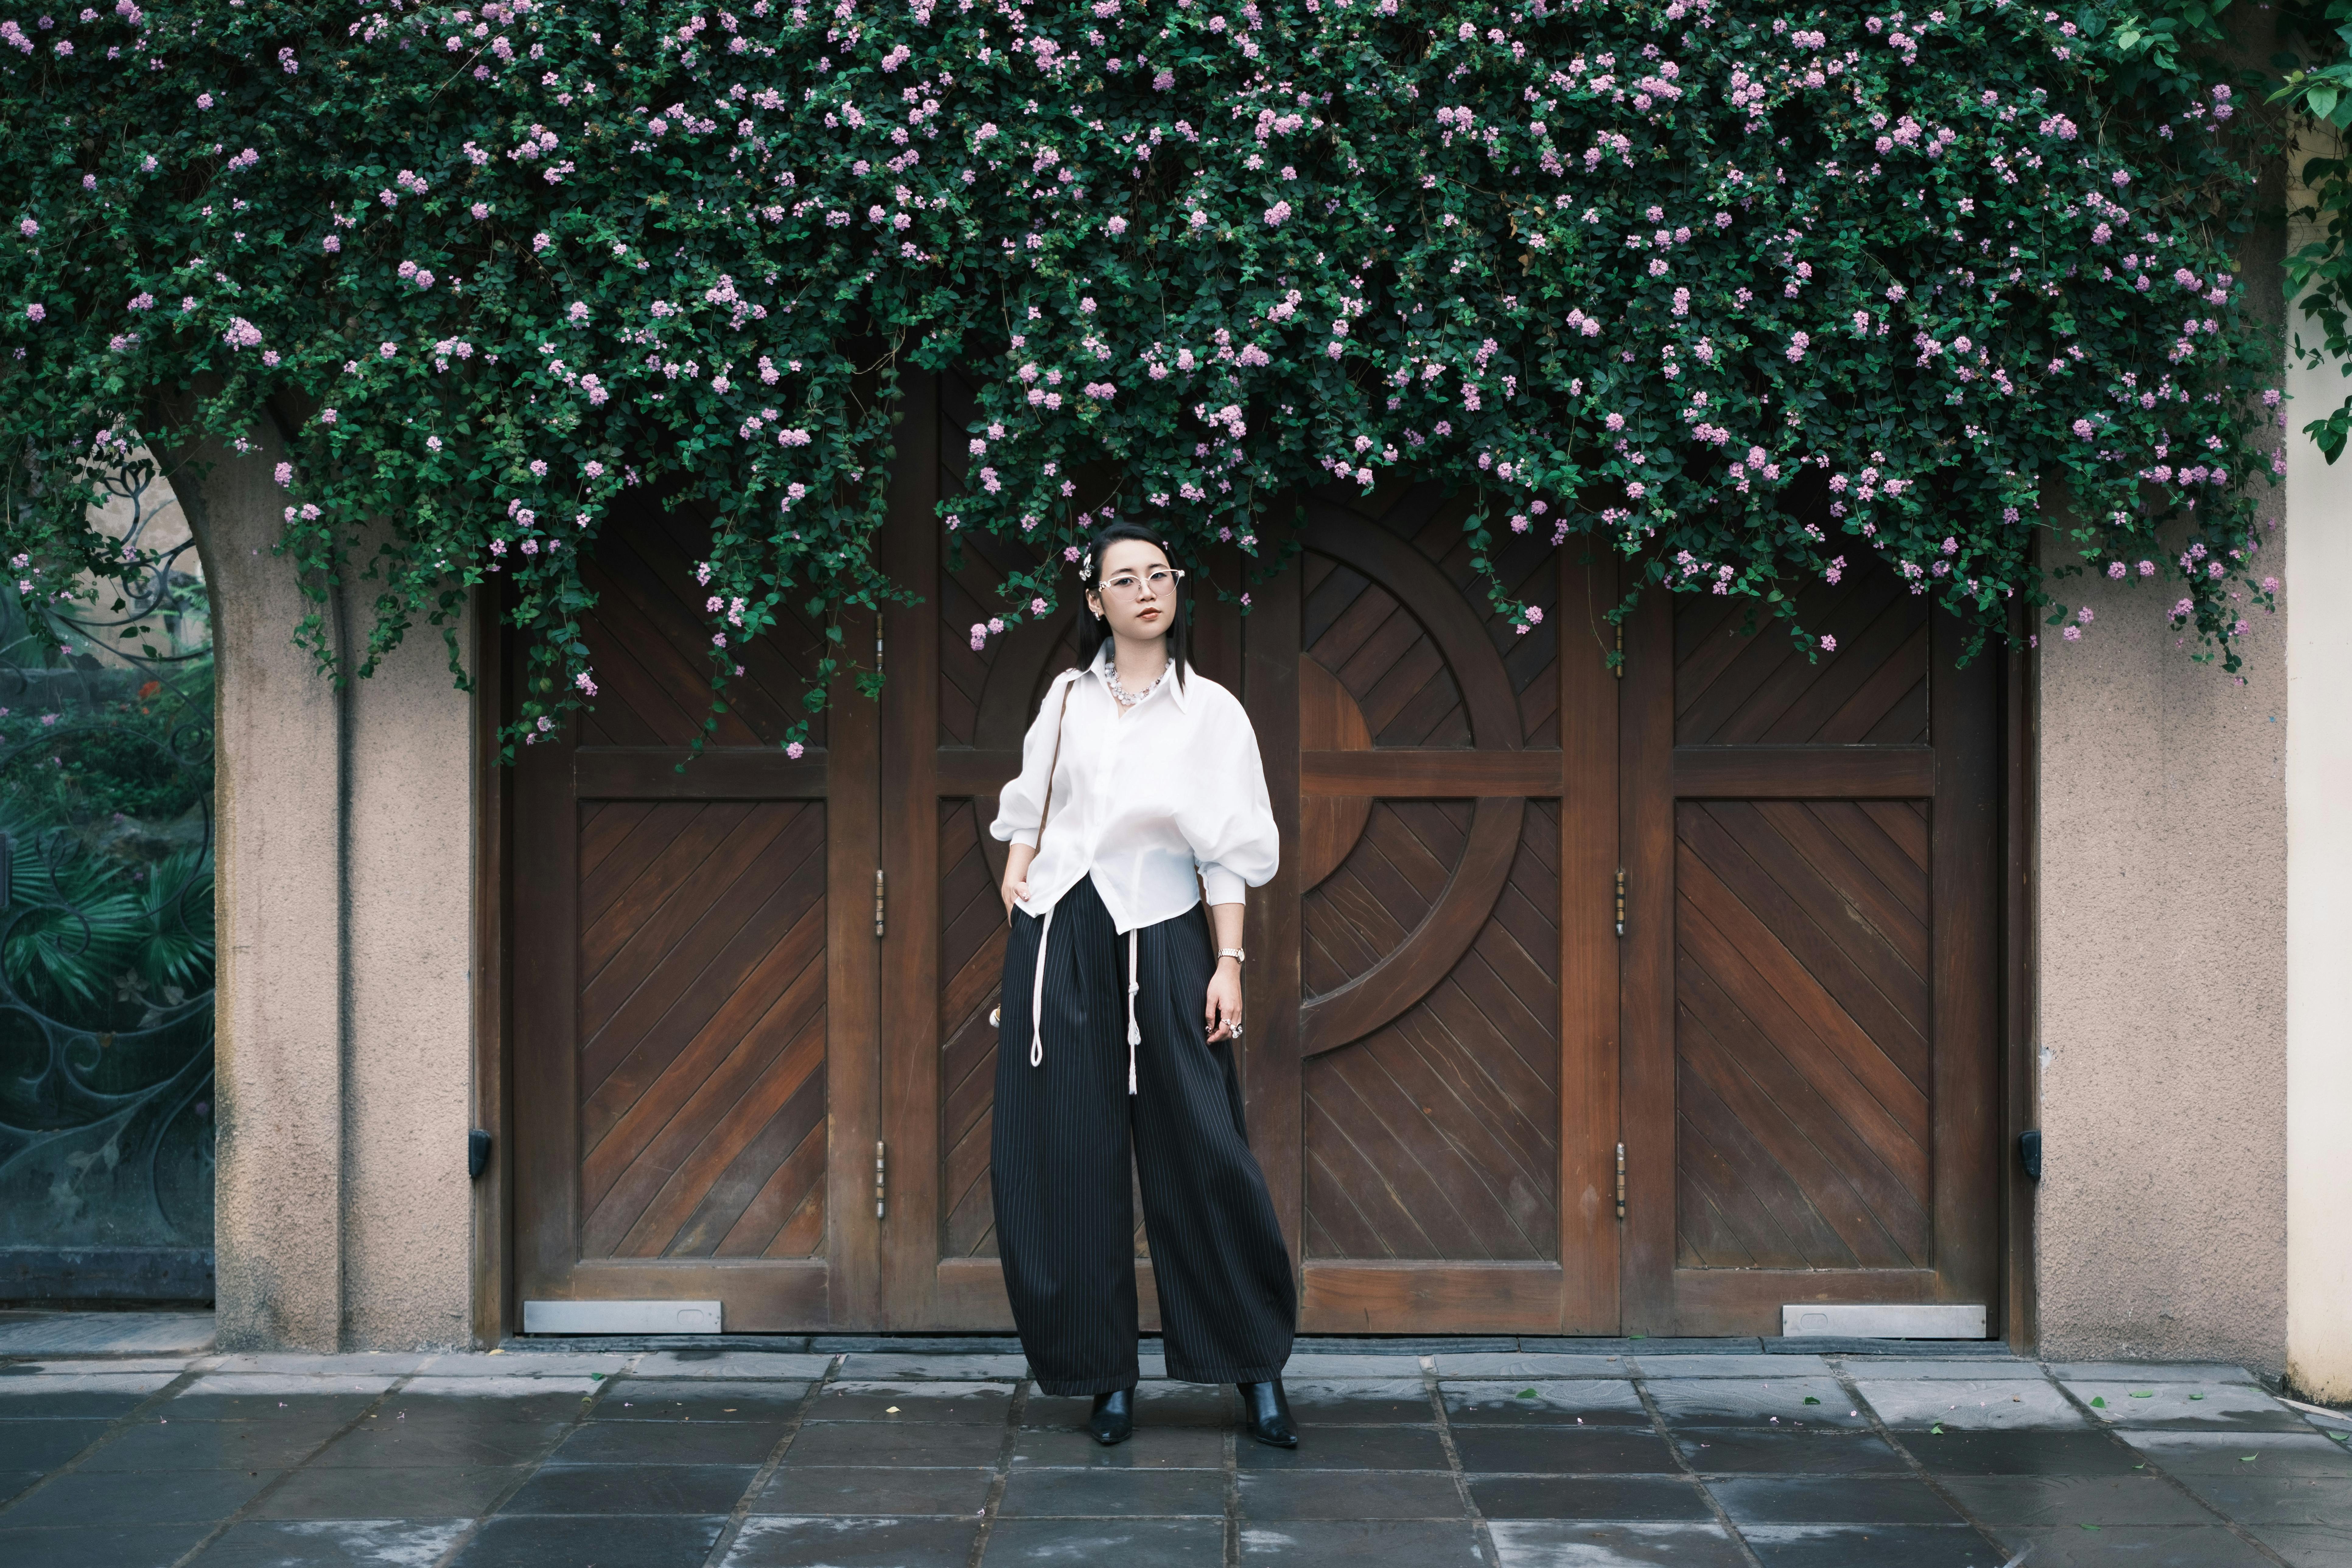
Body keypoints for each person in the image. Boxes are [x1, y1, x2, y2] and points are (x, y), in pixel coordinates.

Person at [989, 521, 1299, 1449]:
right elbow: (1031, 799)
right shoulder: (1068, 697)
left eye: (1158, 575)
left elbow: (1230, 850)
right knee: (1066, 1161)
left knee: (1204, 1152)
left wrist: (1228, 961)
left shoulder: (1213, 713)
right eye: (1124, 579)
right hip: (1065, 933)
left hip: (1164, 935)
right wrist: (1018, 863)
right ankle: (1103, 1378)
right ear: (1096, 600)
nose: (1146, 591)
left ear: (1176, 590)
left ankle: (1255, 1373)